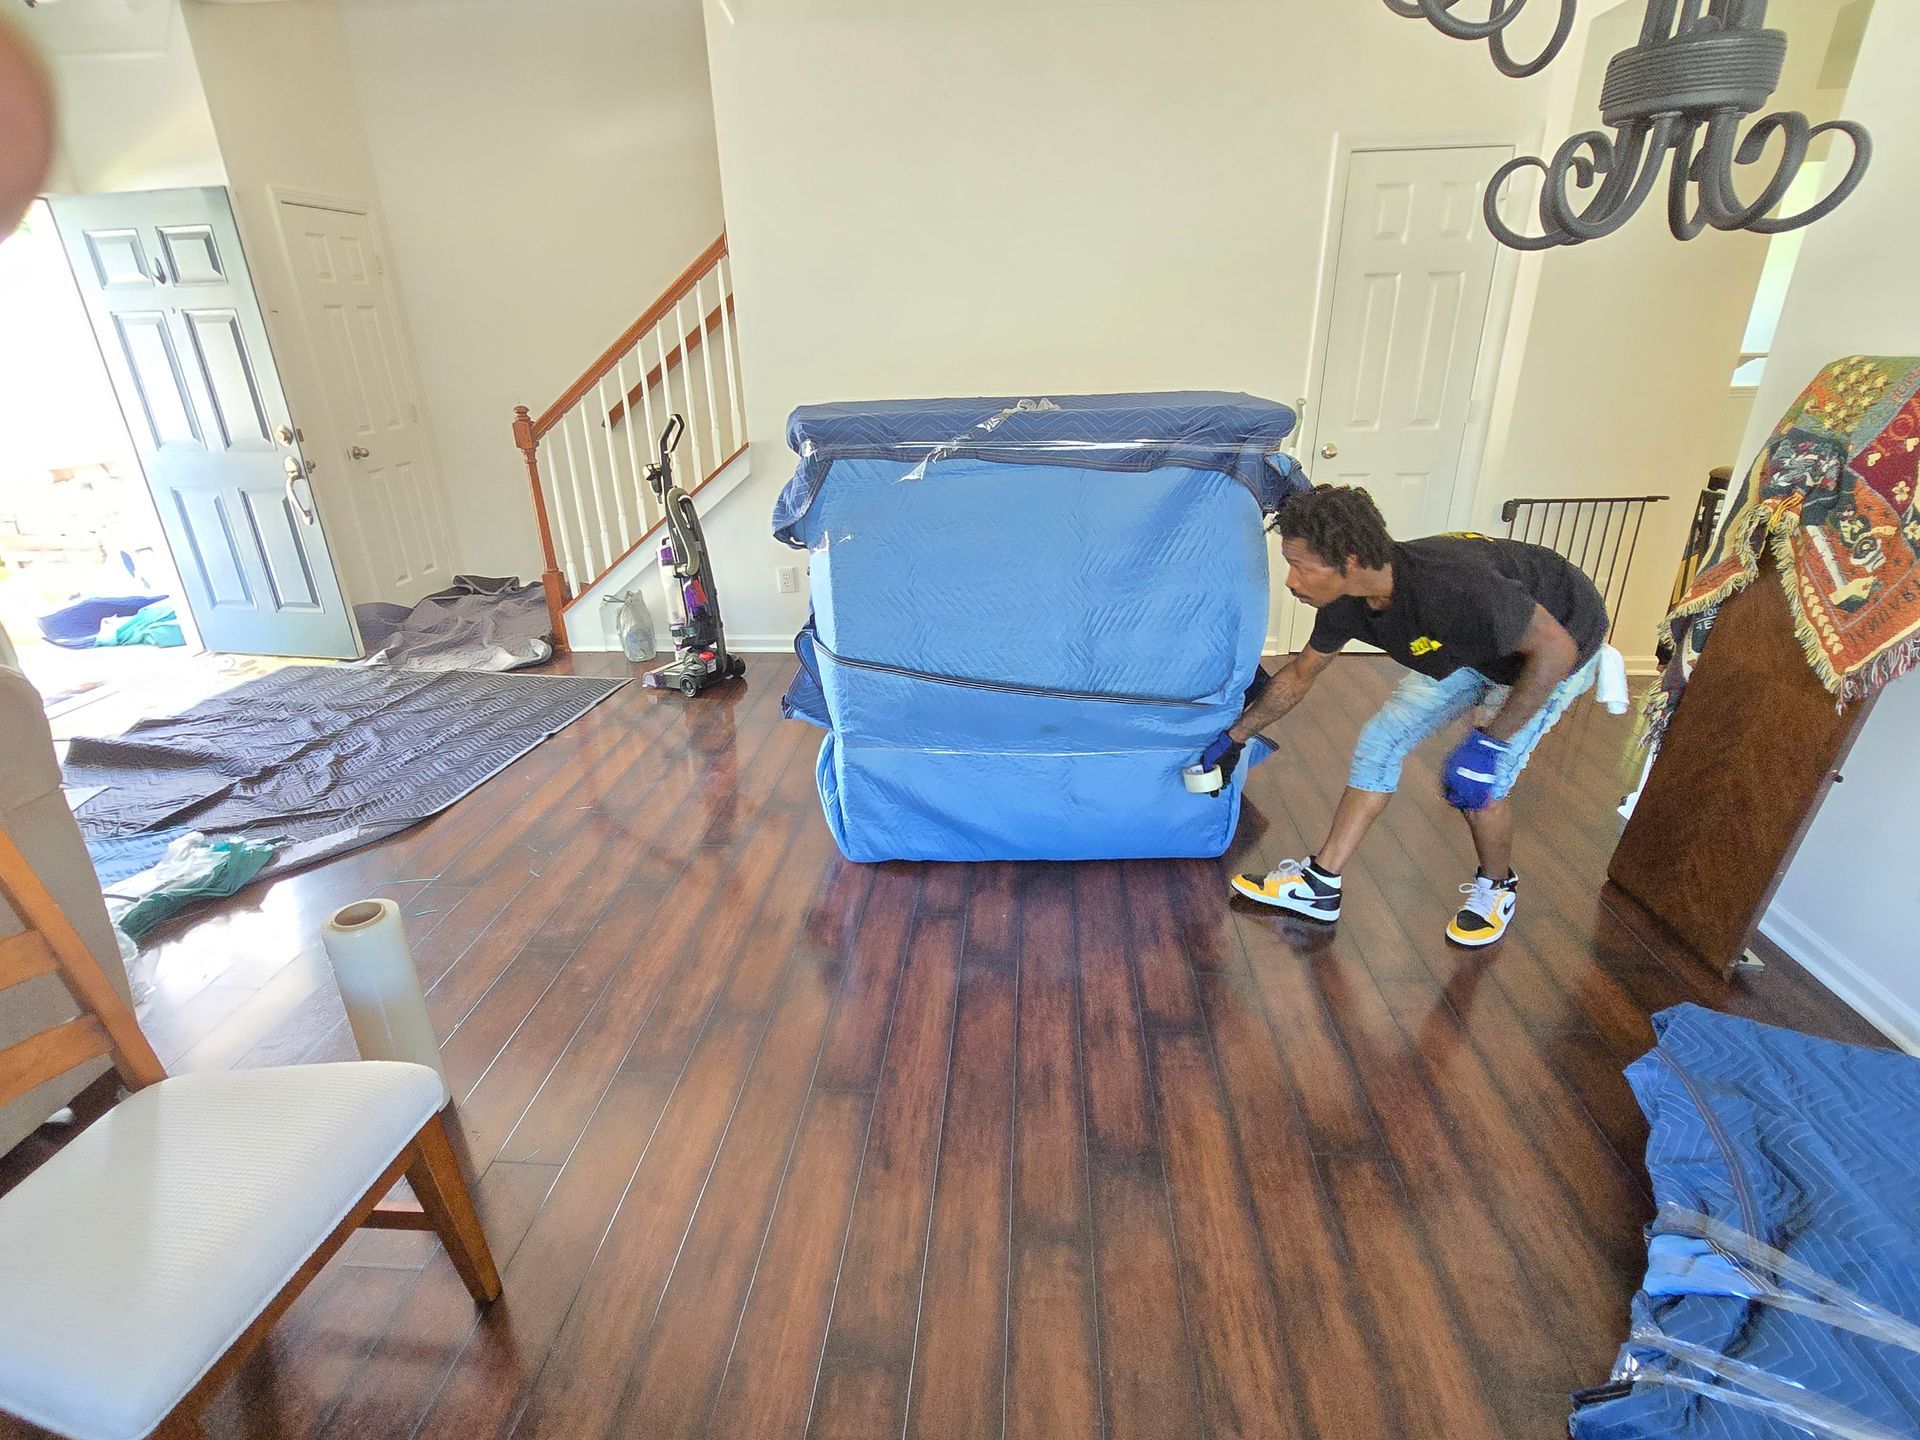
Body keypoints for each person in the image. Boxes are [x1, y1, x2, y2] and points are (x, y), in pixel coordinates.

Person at [1200, 484, 1606, 946]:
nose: (1291, 581)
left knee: (1477, 782)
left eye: (1300, 566)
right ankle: (1320, 886)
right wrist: (1236, 737)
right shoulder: (1348, 601)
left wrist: (1490, 743)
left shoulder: (1452, 586)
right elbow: (1300, 674)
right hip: (1472, 647)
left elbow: (1555, 649)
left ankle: (1497, 888)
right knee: (1380, 741)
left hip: (1554, 647)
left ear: (1350, 561)